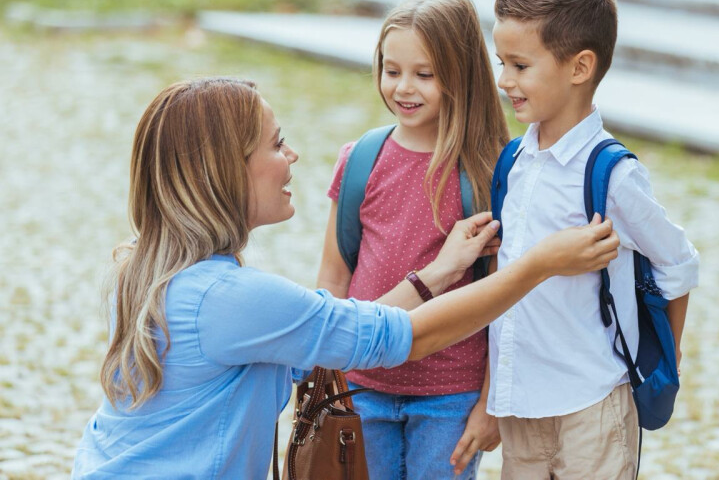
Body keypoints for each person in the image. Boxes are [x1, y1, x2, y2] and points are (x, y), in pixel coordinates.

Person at [72, 77, 619, 479]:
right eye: (274, 143)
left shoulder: (144, 270)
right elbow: (402, 339)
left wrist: (436, 272)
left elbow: (340, 331)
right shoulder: (229, 298)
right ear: (225, 171)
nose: (293, 155)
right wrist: (539, 264)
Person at [488, 0, 700, 479]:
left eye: (519, 65)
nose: (504, 80)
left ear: (580, 67)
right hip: (520, 402)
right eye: (502, 63)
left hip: (593, 403)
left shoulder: (613, 175)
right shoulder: (514, 161)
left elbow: (678, 264)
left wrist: (654, 369)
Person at [317, 0, 508, 479]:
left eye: (424, 74)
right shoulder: (361, 159)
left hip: (451, 397)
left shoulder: (489, 171)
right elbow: (334, 277)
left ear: (462, 75)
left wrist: (491, 403)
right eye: (391, 69)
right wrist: (322, 375)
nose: (404, 87)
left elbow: (508, 300)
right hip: (362, 388)